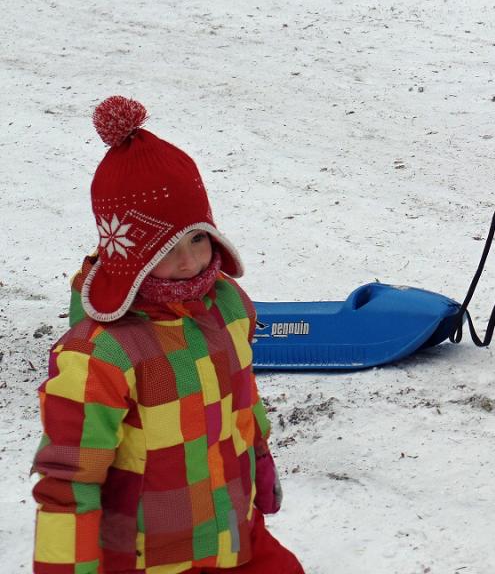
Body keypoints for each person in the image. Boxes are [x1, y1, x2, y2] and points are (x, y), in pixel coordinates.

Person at [31, 96, 303, 574]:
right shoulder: (101, 355)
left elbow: (242, 397)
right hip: (146, 557)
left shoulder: (227, 306)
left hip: (232, 532)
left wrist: (259, 456)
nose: (189, 261)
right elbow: (69, 481)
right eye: (164, 248)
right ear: (127, 253)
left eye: (197, 238)